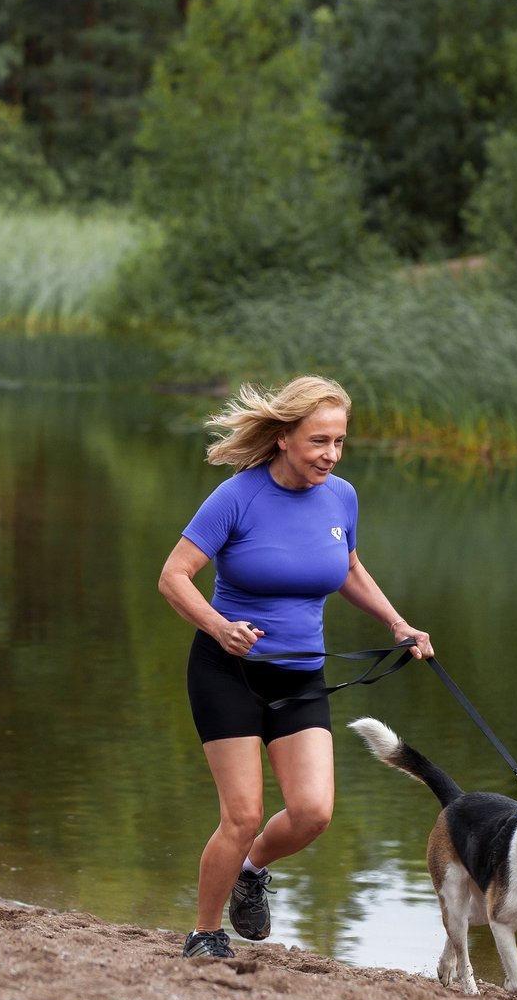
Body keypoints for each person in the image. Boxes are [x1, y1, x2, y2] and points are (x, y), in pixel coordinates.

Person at [158, 375, 433, 959]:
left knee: (312, 812)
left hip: (301, 674)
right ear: (284, 437)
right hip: (227, 670)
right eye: (319, 442)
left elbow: (349, 570)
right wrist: (218, 625)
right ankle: (205, 934)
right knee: (243, 813)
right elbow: (173, 576)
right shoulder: (238, 496)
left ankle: (251, 870)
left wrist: (397, 624)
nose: (330, 455)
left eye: (339, 443)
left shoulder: (341, 497)